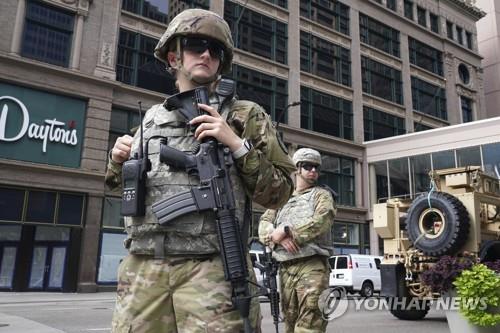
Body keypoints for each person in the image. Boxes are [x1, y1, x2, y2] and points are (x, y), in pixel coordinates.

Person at [105, 8, 296, 333]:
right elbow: (117, 188)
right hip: (143, 270)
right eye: (195, 45)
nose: (206, 54)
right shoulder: (151, 118)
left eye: (215, 50)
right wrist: (119, 161)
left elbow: (281, 193)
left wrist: (235, 143)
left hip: (212, 270)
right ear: (173, 56)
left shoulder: (244, 115)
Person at [258, 148, 337, 333]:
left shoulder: (321, 195)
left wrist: (287, 231)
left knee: (310, 323)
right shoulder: (283, 198)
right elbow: (264, 223)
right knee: (290, 323)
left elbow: (323, 220)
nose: (313, 171)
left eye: (316, 168)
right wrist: (274, 238)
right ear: (297, 169)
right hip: (286, 268)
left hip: (312, 266)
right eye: (308, 166)